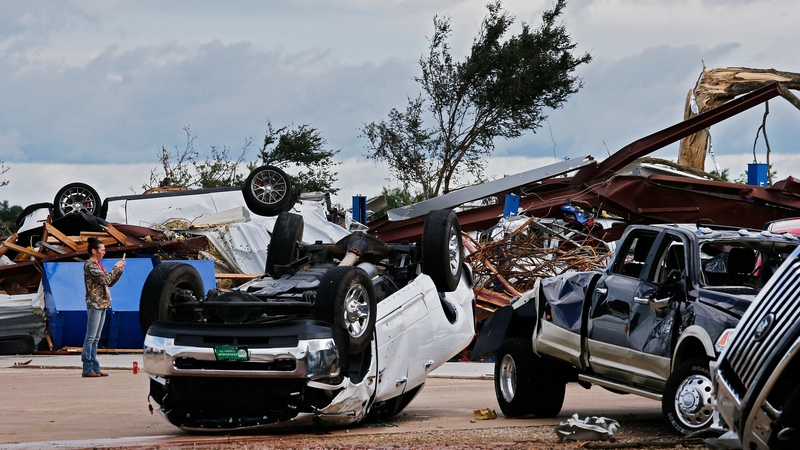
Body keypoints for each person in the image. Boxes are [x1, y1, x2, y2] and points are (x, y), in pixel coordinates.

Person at [81, 237, 125, 378]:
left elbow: (109, 282)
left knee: (96, 338)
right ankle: (87, 368)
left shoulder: (99, 265)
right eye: (102, 250)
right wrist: (116, 267)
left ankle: (94, 366)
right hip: (95, 303)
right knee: (91, 337)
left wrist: (119, 270)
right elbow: (105, 279)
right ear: (94, 251)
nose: (104, 252)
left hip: (102, 303)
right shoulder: (90, 265)